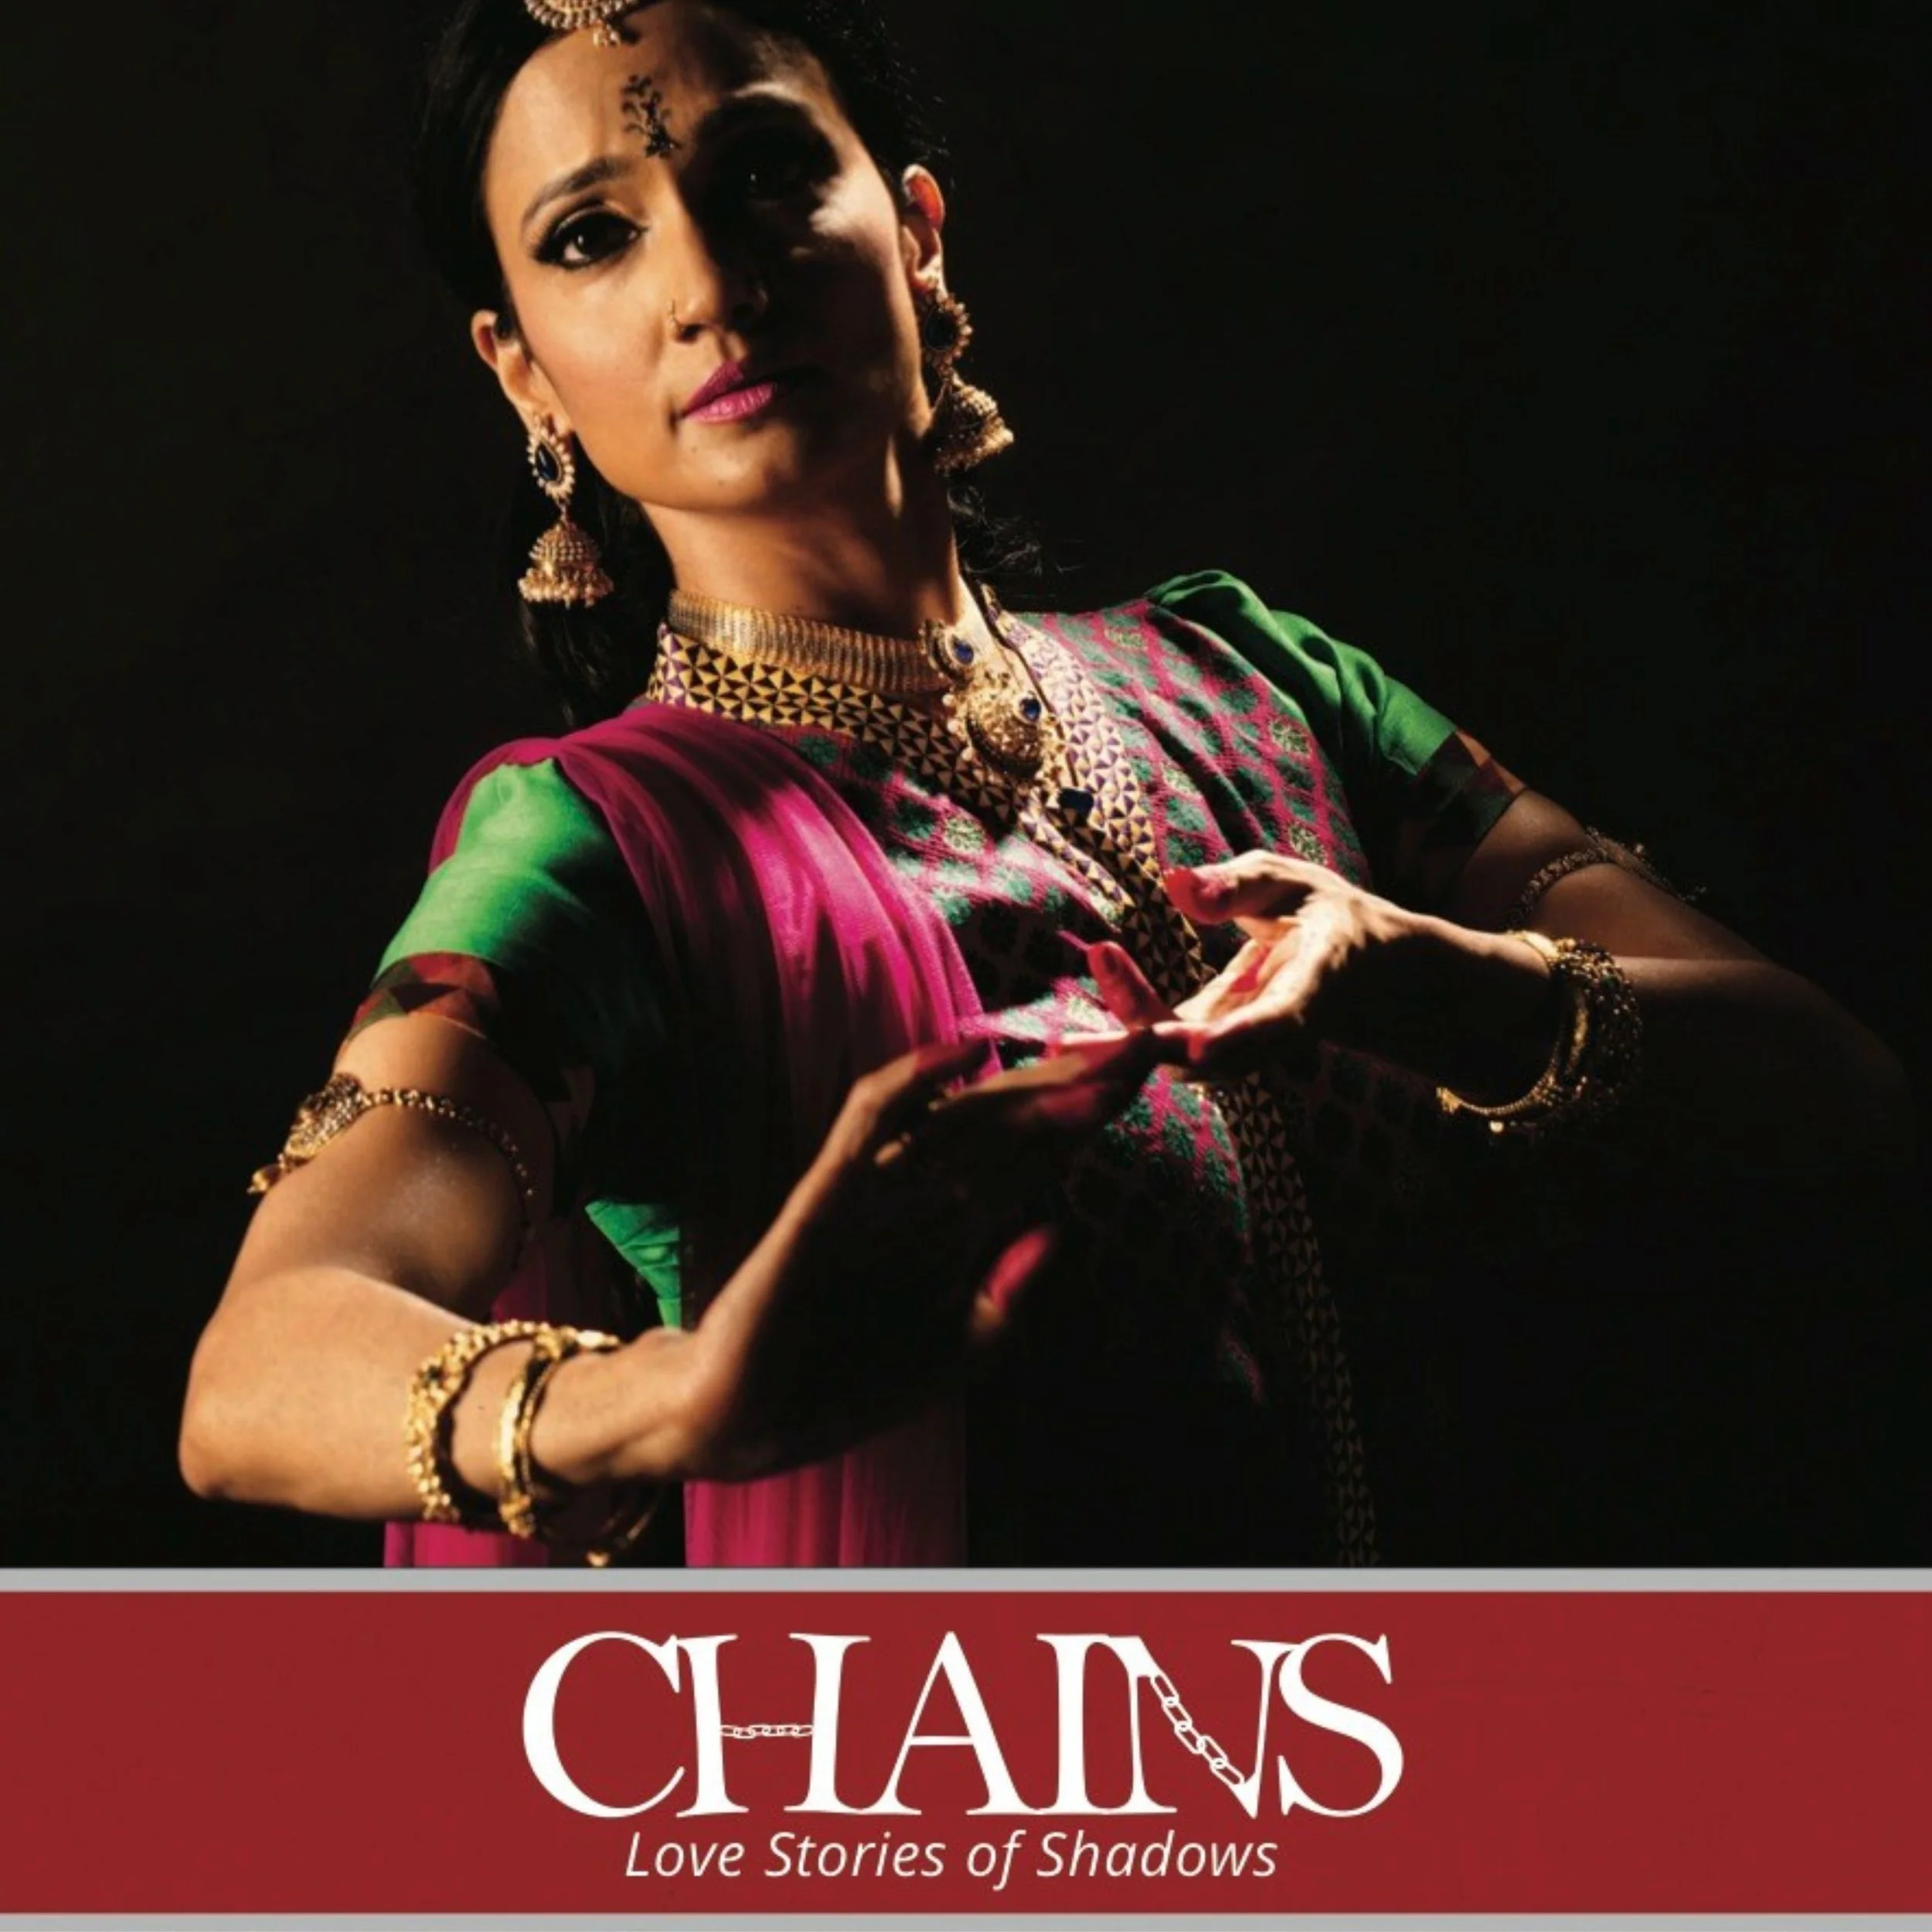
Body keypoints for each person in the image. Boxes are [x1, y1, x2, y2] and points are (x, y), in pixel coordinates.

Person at [178, 0, 1907, 1567]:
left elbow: (1824, 1082)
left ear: (915, 229)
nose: (706, 278)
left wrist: (1435, 978)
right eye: (593, 237)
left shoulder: (1263, 687)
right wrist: (673, 1401)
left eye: (768, 167)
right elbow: (260, 1369)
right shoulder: (601, 855)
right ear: (524, 372)